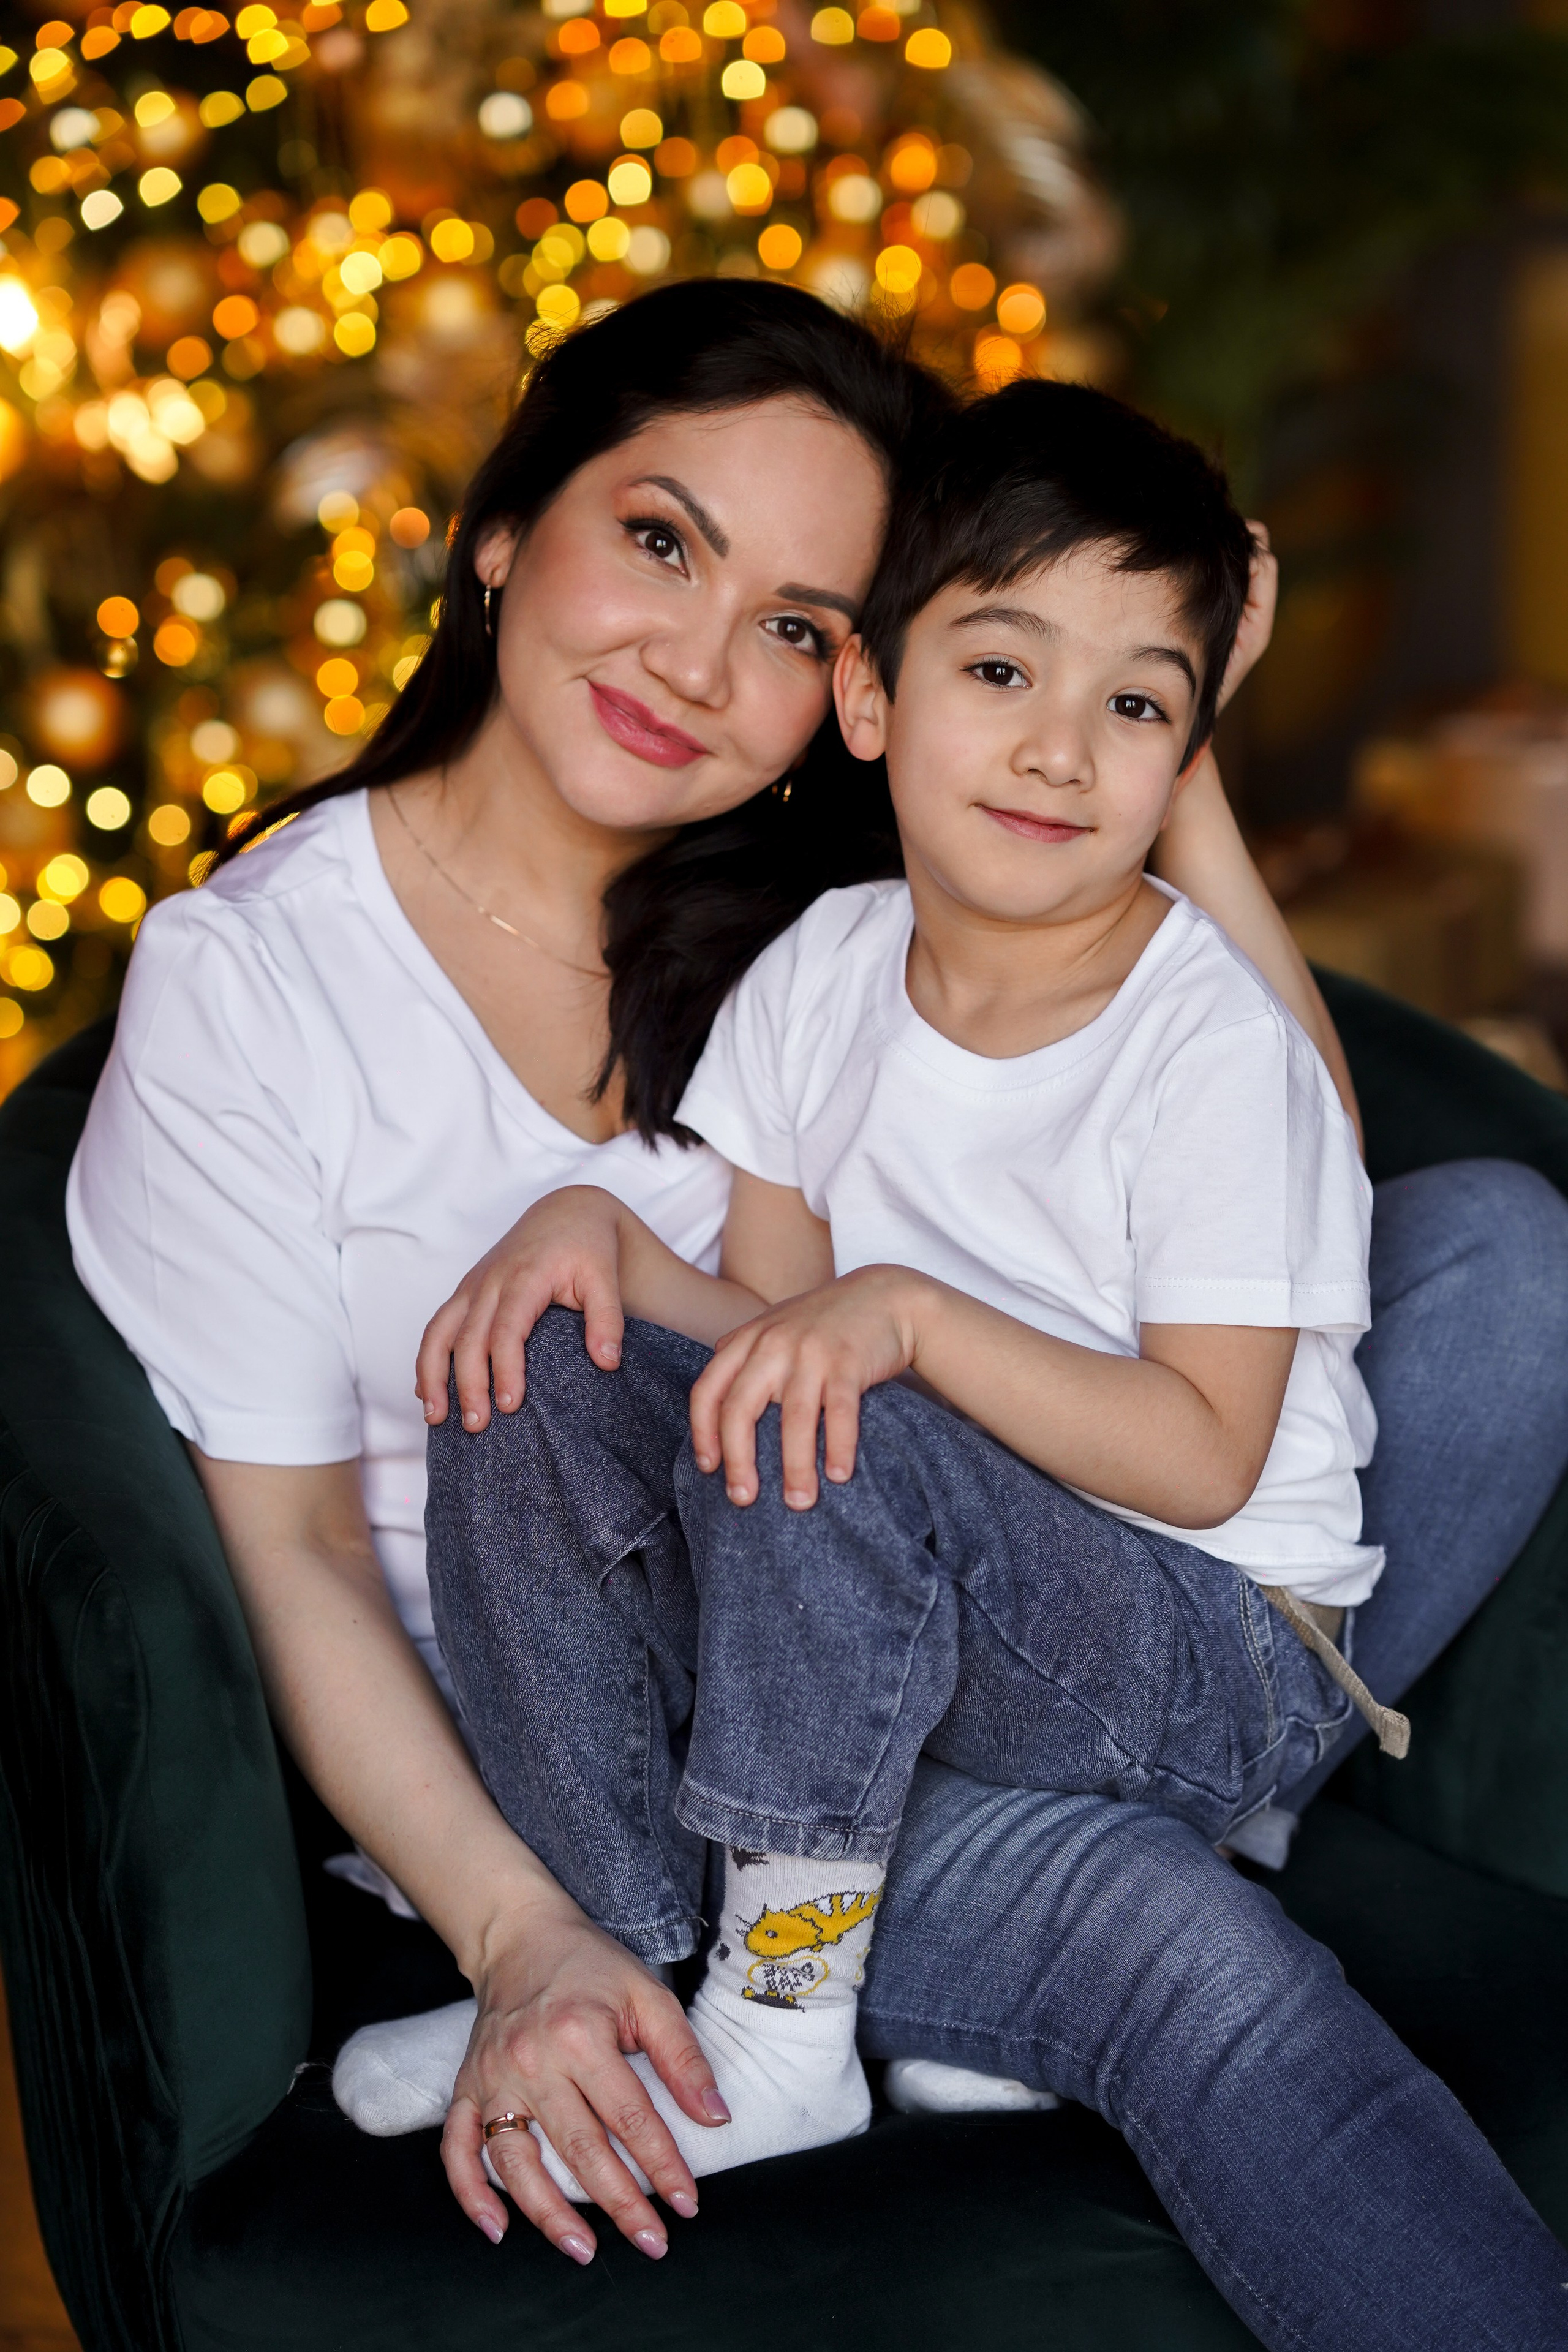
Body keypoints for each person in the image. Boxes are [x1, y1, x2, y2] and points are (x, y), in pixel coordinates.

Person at [61, 284, 1568, 2347]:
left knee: (1493, 1254)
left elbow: (1276, 1175)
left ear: (845, 682)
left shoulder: (846, 887)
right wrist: (522, 1947)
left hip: (977, 1574)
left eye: (789, 621)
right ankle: (822, 1935)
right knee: (1159, 1941)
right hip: (633, 1713)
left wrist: (1184, 729)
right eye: (661, 540)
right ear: (502, 526)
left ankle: (1189, 1775)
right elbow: (304, 1548)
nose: (700, 661)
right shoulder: (253, 984)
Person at [409, 379, 1409, 2203]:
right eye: (1002, 673)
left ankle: (785, 2025)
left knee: (848, 1413)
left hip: (1206, 1642)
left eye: (1134, 708)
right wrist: (609, 1253)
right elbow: (766, 1334)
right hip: (948, 1585)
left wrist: (911, 1319)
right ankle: (610, 1977)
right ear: (870, 698)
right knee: (548, 1359)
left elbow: (1200, 1456)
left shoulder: (1209, 1048)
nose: (1057, 752)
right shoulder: (827, 968)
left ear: (1186, 765)